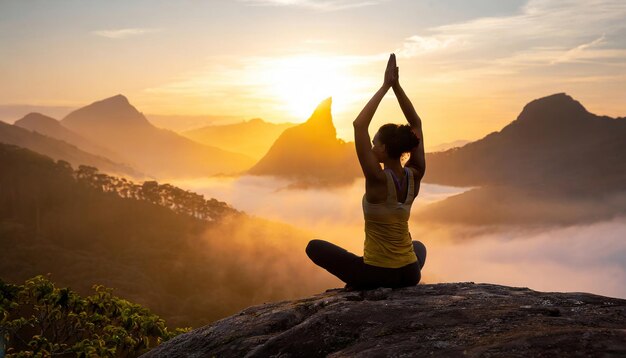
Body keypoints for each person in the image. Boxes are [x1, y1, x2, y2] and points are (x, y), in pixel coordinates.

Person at [305, 53, 427, 290]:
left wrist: (385, 86)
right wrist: (397, 87)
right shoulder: (416, 174)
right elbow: (417, 124)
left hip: (378, 275)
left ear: (383, 150)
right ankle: (401, 270)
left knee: (313, 246)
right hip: (410, 274)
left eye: (374, 144)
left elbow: (359, 125)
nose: (370, 148)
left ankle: (362, 281)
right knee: (419, 247)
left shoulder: (377, 179)